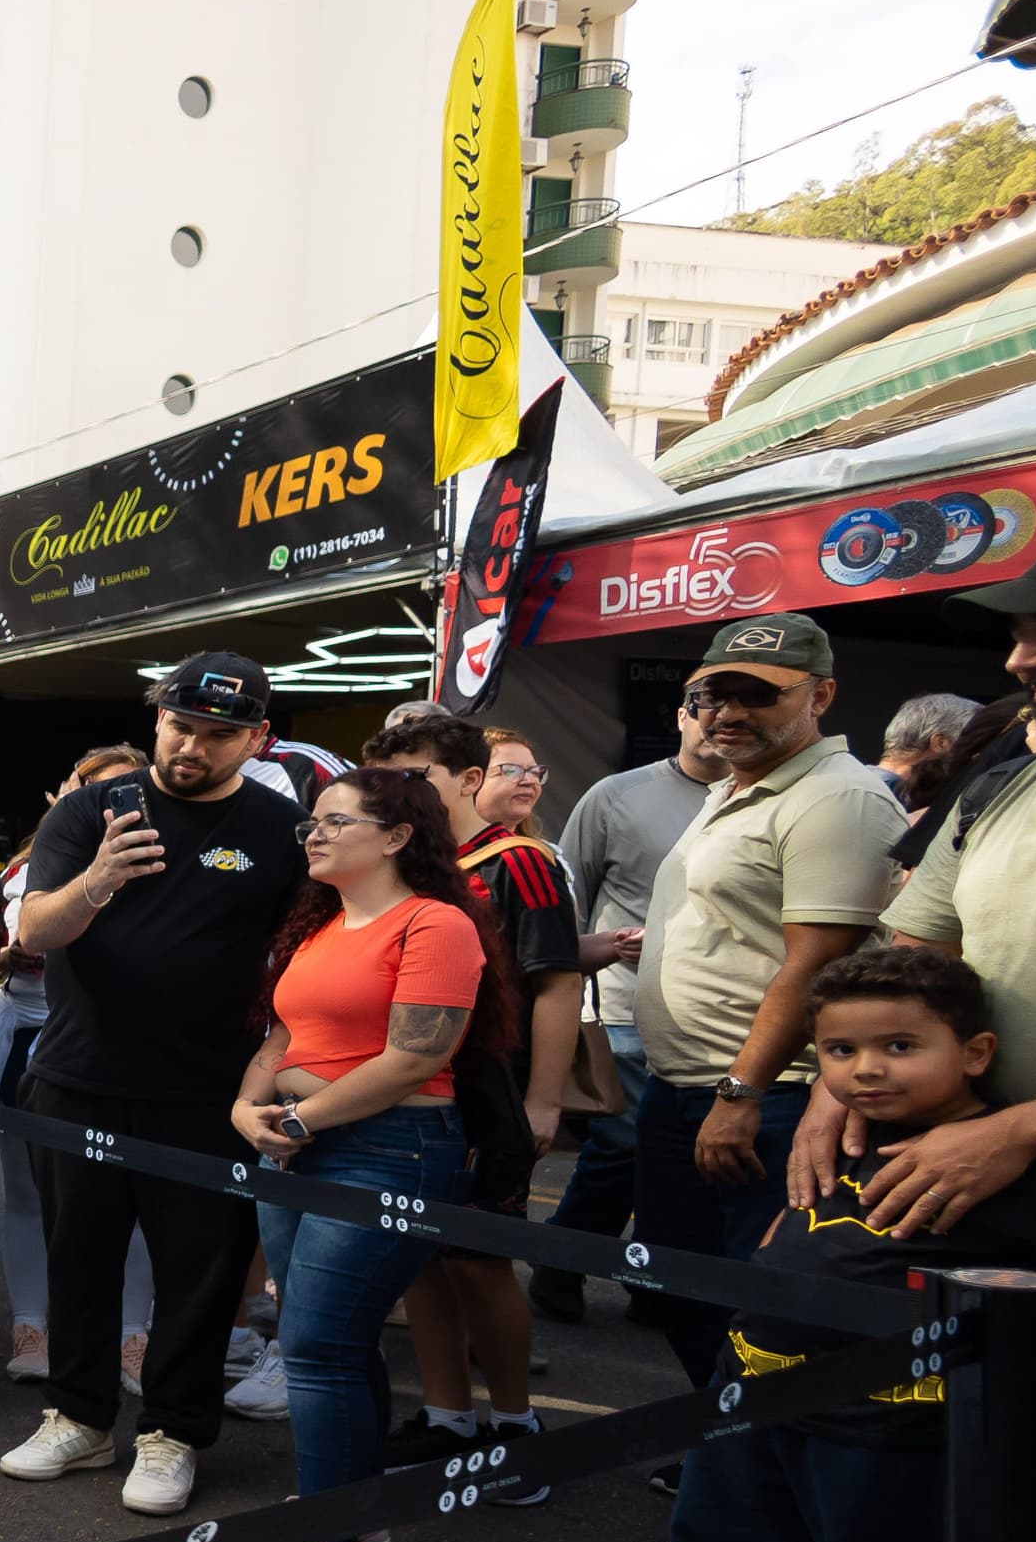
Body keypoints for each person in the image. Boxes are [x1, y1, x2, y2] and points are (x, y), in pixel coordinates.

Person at [605, 946, 1036, 1542]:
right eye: (840, 1052)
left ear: (975, 1051)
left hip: (891, 1430)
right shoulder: (831, 1134)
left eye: (897, 1046)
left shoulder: (998, 1162)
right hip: (753, 1396)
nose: (866, 1070)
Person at [0, 659, 308, 1516]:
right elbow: (35, 928)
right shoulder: (91, 809)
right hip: (78, 1076)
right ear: (158, 720)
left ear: (254, 739)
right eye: (180, 726)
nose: (191, 747)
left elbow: (306, 957)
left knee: (198, 1275)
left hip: (209, 1093)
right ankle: (80, 1418)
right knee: (80, 1258)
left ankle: (171, 1433)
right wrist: (99, 877)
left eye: (216, 734)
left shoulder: (283, 828)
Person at [216, 768, 514, 1542]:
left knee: (314, 1346)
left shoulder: (437, 922)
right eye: (311, 822)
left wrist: (300, 1123)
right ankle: (357, 1510)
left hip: (387, 1148)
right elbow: (282, 1035)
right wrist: (246, 1108)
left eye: (335, 821)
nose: (312, 834)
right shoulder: (319, 926)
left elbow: (417, 1056)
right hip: (298, 1146)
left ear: (395, 836)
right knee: (332, 1345)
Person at [630, 615, 906, 1395]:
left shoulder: (837, 797)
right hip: (688, 1089)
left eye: (757, 695)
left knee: (762, 1310)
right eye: (712, 693)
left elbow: (817, 963)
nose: (728, 711)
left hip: (764, 1100)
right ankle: (725, 1448)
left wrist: (740, 1092)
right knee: (676, 1287)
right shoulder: (736, 787)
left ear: (821, 695)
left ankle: (752, 1467)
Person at [362, 713, 583, 1476]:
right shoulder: (412, 862)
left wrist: (544, 1102)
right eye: (387, 778)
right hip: (417, 1096)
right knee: (420, 1257)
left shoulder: (517, 860)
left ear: (467, 780)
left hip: (495, 1092)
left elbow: (556, 984)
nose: (400, 793)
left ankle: (516, 1425)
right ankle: (449, 1415)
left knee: (481, 1261)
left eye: (416, 776)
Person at [791, 598, 1036, 1238]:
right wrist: (835, 1088)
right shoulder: (997, 788)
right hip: (962, 1167)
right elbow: (916, 962)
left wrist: (1018, 1128)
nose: (1019, 661)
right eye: (1019, 637)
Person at [0, 743, 160, 1391]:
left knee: (132, 1200)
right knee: (26, 1195)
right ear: (67, 792)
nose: (111, 802)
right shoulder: (29, 865)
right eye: (94, 788)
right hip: (31, 1040)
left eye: (128, 788)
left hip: (129, 1050)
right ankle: (32, 1327)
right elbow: (12, 939)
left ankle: (134, 1337)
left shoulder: (167, 859)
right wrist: (8, 956)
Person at [536, 709, 730, 1323]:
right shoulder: (616, 795)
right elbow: (572, 902)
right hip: (626, 1008)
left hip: (723, 1013)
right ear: (678, 717)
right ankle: (562, 1262)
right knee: (622, 1146)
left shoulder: (765, 799)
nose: (719, 721)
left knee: (682, 1154)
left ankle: (653, 1278)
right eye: (704, 707)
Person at [879, 692, 981, 810]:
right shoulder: (885, 798)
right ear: (941, 743)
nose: (977, 755)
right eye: (975, 743)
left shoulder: (864, 784)